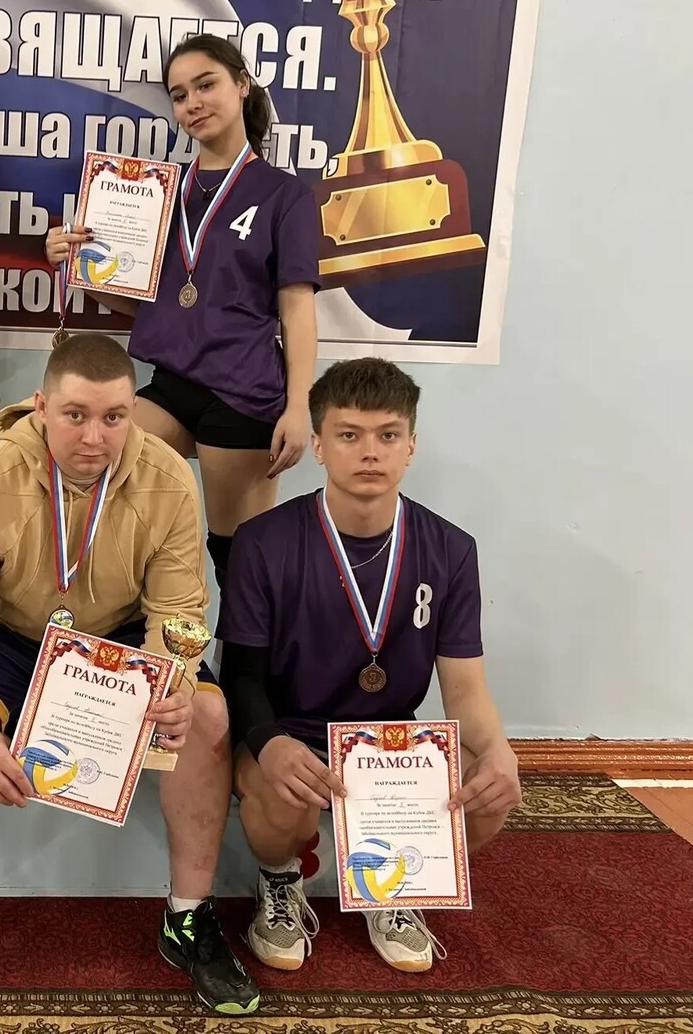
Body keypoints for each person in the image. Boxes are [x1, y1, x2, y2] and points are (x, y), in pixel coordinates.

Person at [0, 334, 260, 1028]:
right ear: (41, 406)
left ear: (133, 412)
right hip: (11, 640)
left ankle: (189, 917)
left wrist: (170, 681)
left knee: (207, 716)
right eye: (76, 415)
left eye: (114, 416)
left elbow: (177, 610)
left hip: (120, 642)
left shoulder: (169, 476)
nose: (95, 436)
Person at [219, 357, 522, 975]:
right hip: (290, 730)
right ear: (319, 445)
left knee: (489, 791)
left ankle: (396, 887)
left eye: (388, 435)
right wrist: (268, 743)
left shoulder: (450, 549)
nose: (370, 452)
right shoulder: (263, 540)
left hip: (389, 745)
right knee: (287, 793)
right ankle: (279, 878)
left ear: (411, 445)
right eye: (349, 434)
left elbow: (465, 689)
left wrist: (499, 751)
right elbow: (240, 676)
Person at [46, 33, 320, 594]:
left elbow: (297, 311)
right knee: (89, 478)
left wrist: (299, 407)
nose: (192, 103)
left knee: (236, 554)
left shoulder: (285, 195)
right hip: (171, 385)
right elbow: (139, 304)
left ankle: (244, 653)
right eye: (179, 95)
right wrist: (79, 266)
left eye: (205, 85)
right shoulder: (158, 194)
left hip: (242, 391)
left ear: (242, 85)